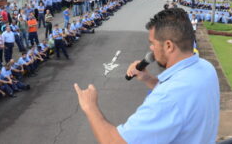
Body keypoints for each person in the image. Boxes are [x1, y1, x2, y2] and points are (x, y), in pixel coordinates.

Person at [74, 8, 220, 144]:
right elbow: (182, 101)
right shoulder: (206, 68)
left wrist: (90, 106)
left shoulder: (168, 97)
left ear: (169, 46)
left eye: (153, 43)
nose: (151, 48)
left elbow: (116, 141)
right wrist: (149, 79)